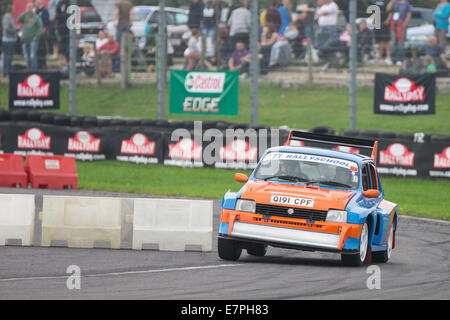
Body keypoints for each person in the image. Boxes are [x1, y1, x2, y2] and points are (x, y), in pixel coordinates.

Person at [18, 3, 43, 72]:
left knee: (32, 56)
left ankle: (33, 71)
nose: (29, 9)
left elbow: (40, 28)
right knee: (26, 56)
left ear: (33, 8)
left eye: (30, 7)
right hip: (25, 39)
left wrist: (36, 36)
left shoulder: (36, 17)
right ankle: (28, 70)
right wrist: (24, 12)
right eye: (28, 7)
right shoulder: (24, 16)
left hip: (33, 40)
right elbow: (18, 19)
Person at [387, 0, 412, 66]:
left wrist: (405, 23)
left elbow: (408, 14)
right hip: (394, 24)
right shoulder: (394, 2)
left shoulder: (406, 4)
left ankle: (400, 59)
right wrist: (391, 1)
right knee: (393, 41)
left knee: (400, 42)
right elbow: (388, 9)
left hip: (401, 25)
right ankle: (393, 59)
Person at [374, 0, 392, 65]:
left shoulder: (389, 1)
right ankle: (380, 57)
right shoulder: (377, 2)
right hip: (378, 24)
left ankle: (388, 57)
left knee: (387, 41)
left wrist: (387, 20)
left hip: (386, 24)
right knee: (380, 41)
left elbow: (390, 11)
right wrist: (374, 19)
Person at [2, 5, 18, 78]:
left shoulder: (10, 17)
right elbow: (7, 29)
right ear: (11, 10)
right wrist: (16, 29)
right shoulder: (7, 17)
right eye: (14, 9)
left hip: (12, 40)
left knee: (10, 57)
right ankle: (6, 73)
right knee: (8, 57)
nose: (15, 11)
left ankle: (8, 72)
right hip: (8, 40)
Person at [35, 0, 50, 70]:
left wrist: (44, 31)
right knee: (37, 50)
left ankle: (43, 64)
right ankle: (38, 64)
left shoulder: (44, 10)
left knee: (42, 49)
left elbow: (46, 22)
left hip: (42, 34)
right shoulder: (35, 11)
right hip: (35, 34)